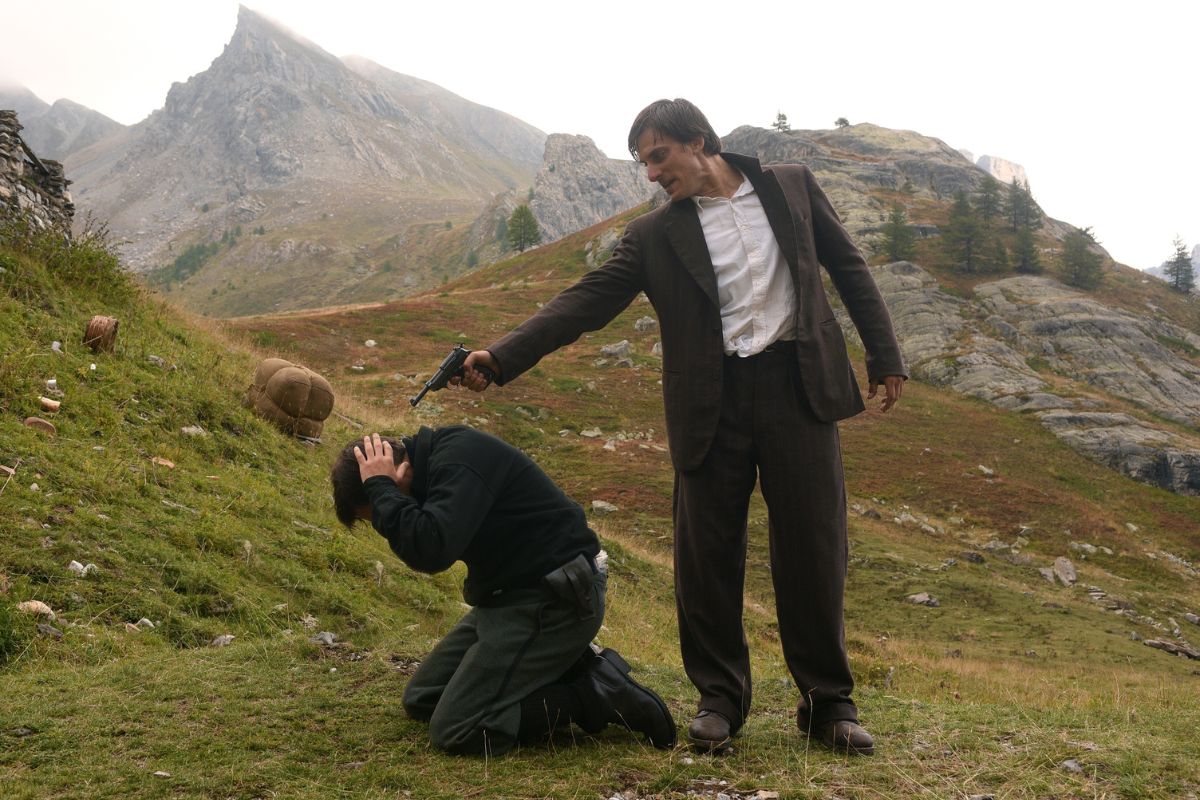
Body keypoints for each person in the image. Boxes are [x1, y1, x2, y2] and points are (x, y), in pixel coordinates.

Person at [456, 99, 906, 755]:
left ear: (700, 141)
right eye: (643, 162)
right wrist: (499, 358)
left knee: (814, 549)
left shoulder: (792, 186)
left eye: (658, 155)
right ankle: (721, 699)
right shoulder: (654, 236)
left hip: (798, 390)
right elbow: (583, 303)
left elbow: (849, 266)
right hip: (710, 405)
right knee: (706, 558)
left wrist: (885, 355)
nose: (650, 174)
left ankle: (828, 702)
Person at [331, 427, 676, 756]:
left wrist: (382, 489)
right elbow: (419, 541)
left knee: (456, 729)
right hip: (510, 599)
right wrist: (388, 493)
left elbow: (431, 550)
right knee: (423, 698)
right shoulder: (436, 469)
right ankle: (567, 665)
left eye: (377, 514)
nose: (383, 524)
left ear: (399, 470)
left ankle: (594, 694)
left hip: (555, 601)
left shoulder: (458, 459)